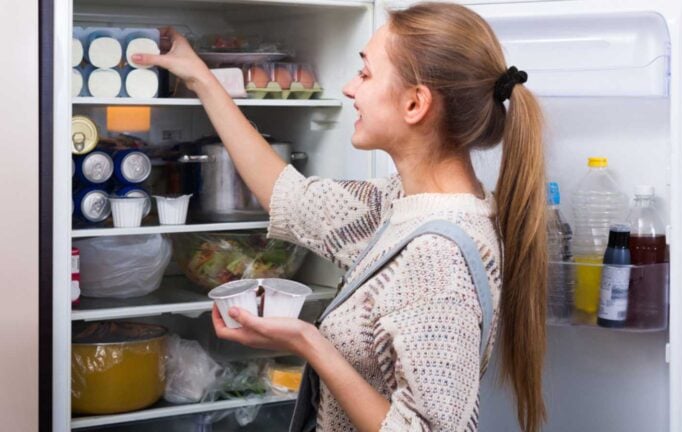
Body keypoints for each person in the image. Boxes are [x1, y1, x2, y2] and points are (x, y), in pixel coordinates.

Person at [133, 2, 546, 431]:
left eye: (366, 74)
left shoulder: (437, 257)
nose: (350, 89)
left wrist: (309, 342)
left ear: (415, 104)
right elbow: (290, 198)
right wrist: (199, 76)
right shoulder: (402, 204)